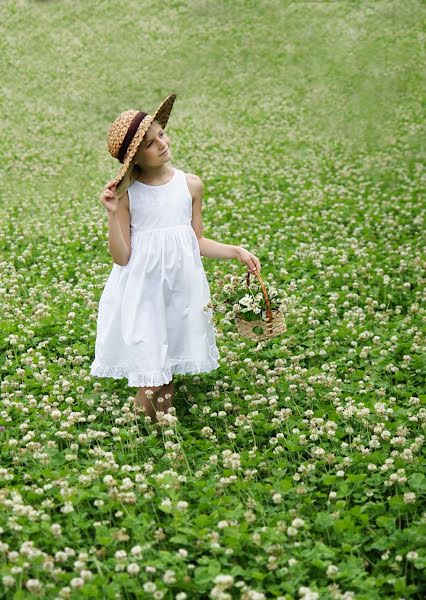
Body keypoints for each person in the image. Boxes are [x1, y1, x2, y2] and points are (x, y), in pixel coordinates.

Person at [90, 92, 261, 426]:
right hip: (142, 291)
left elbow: (194, 240)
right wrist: (112, 215)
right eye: (151, 144)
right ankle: (142, 434)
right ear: (135, 159)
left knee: (165, 364)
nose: (162, 144)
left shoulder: (191, 185)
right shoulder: (128, 195)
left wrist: (236, 251)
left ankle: (161, 433)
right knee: (151, 368)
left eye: (161, 135)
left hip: (180, 288)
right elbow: (121, 257)